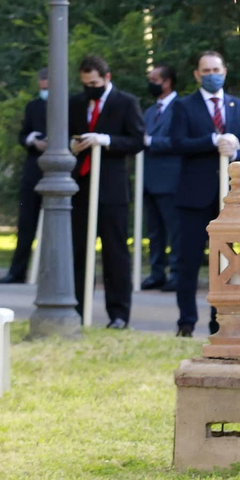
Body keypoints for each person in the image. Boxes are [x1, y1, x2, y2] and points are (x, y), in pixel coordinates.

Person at [169, 50, 240, 337]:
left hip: (230, 199)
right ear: (197, 75)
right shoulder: (184, 106)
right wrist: (211, 141)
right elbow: (177, 143)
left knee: (227, 262)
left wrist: (236, 149)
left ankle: (220, 322)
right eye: (206, 71)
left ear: (225, 71)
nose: (212, 75)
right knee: (188, 261)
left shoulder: (238, 106)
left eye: (216, 70)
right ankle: (186, 322)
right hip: (194, 196)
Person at [69, 54, 145, 329]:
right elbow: (65, 133)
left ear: (106, 78)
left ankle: (119, 315)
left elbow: (137, 140)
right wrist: (72, 145)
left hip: (112, 189)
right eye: (86, 84)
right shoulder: (76, 103)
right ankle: (77, 310)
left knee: (115, 252)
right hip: (81, 187)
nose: (90, 88)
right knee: (78, 250)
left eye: (94, 83)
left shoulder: (125, 102)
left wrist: (106, 140)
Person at [0, 68, 49, 284]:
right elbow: (23, 135)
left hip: (58, 169)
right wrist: (32, 140)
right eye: (42, 86)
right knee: (27, 221)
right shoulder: (33, 106)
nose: (44, 90)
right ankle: (17, 271)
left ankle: (51, 272)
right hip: (34, 168)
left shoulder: (68, 106)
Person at [140, 64, 183, 292]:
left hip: (171, 179)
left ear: (167, 82)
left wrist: (151, 142)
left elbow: (180, 141)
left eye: (154, 79)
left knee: (175, 230)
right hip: (149, 179)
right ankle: (156, 273)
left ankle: (176, 273)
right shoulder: (149, 111)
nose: (151, 83)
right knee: (154, 231)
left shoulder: (181, 108)